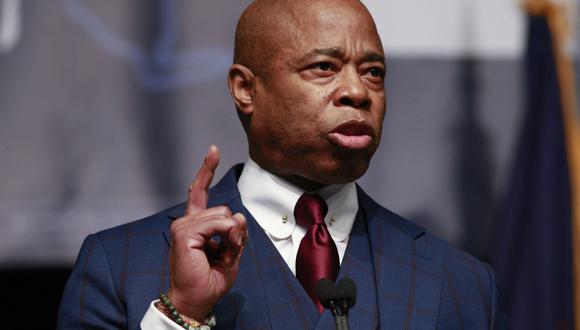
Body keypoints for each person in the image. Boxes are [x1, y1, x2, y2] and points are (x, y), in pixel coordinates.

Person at [58, 0, 505, 329]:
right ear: (245, 89)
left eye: (373, 72)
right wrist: (183, 314)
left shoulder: (461, 282)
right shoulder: (119, 266)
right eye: (324, 67)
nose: (358, 91)